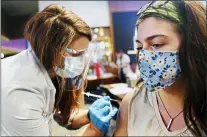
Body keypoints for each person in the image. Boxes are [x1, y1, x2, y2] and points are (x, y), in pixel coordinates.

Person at [1, 4, 118, 136]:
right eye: (76, 54)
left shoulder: (50, 70)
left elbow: (57, 115)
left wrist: (89, 115)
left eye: (84, 53)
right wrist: (94, 130)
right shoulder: (21, 92)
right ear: (51, 50)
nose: (82, 60)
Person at [114, 1, 206, 136]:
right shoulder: (132, 104)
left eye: (156, 44)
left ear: (191, 45)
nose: (144, 57)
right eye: (139, 47)